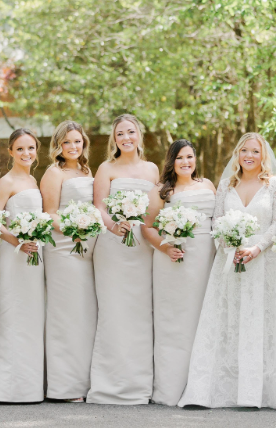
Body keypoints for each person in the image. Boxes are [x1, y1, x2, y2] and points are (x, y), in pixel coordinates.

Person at [178, 133, 276, 410]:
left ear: (263, 155)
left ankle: (267, 391)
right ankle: (229, 390)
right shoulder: (225, 185)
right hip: (230, 263)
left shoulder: (274, 185)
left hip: (264, 262)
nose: (249, 156)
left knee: (266, 322)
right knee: (230, 321)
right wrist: (229, 245)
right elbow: (217, 221)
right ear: (238, 154)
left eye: (255, 151)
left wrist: (256, 249)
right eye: (245, 150)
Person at [87, 114, 159, 405]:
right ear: (114, 139)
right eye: (120, 134)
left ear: (139, 135)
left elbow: (156, 209)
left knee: (140, 311)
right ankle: (110, 383)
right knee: (114, 310)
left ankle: (140, 383)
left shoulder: (153, 169)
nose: (126, 138)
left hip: (143, 248)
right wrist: (115, 226)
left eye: (131, 132)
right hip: (113, 246)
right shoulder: (106, 168)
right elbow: (99, 207)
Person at [141, 139, 217, 406]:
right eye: (180, 158)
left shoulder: (208, 185)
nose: (186, 162)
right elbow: (147, 227)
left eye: (190, 157)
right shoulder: (162, 191)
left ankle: (204, 385)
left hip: (206, 259)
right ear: (171, 161)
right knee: (175, 322)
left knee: (204, 318)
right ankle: (172, 388)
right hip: (174, 260)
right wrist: (166, 247)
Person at [40, 121, 97, 401]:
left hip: (87, 249)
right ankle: (63, 387)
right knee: (66, 315)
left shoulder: (87, 170)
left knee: (84, 315)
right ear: (58, 146)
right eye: (67, 142)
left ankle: (84, 382)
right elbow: (49, 214)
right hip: (63, 248)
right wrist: (75, 230)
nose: (73, 147)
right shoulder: (54, 173)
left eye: (77, 141)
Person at [0, 128, 45, 403]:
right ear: (10, 152)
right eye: (20, 149)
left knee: (33, 316)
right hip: (15, 256)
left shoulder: (34, 180)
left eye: (31, 148)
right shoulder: (6, 181)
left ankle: (32, 386)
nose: (26, 153)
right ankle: (10, 388)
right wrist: (18, 241)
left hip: (35, 257)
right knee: (15, 313)